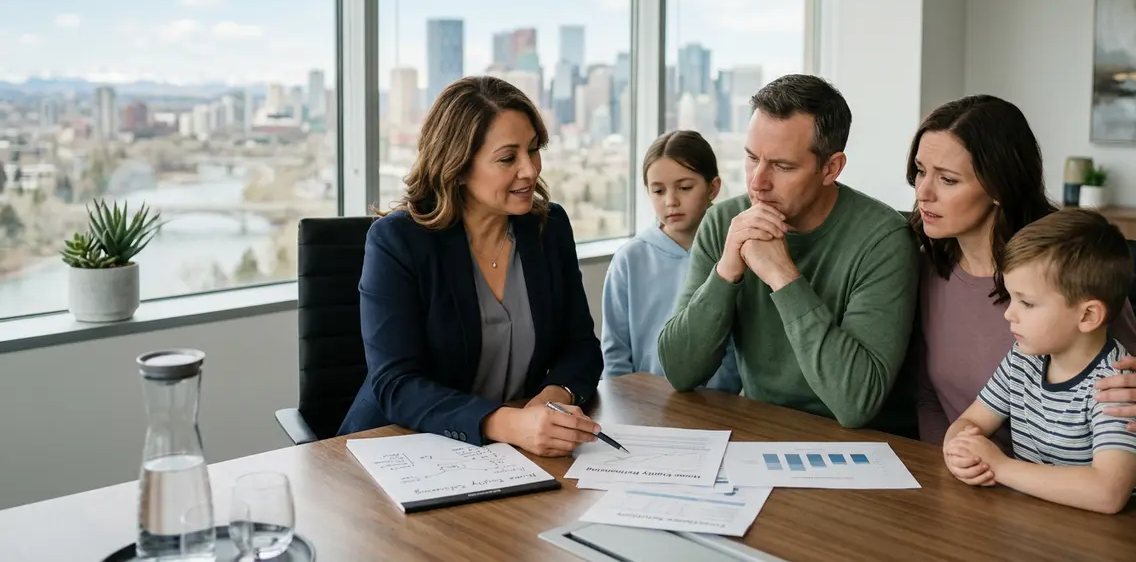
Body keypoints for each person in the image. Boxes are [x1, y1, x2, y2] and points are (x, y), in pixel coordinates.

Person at [909, 95, 1136, 480]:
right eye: (920, 171)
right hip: (976, 489)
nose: (923, 192)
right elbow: (929, 396)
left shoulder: (1067, 270)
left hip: (1077, 501)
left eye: (947, 179)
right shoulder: (926, 263)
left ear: (998, 187)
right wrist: (952, 471)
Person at [337, 76, 604, 457]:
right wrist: (505, 423)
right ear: (458, 165)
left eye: (534, 149)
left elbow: (580, 347)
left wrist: (551, 398)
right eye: (508, 158)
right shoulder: (397, 241)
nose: (530, 170)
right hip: (400, 447)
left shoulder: (548, 227)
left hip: (515, 454)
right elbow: (397, 384)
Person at [657, 74, 919, 428]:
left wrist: (783, 276)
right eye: (752, 158)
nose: (757, 182)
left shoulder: (883, 240)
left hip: (857, 449)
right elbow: (679, 371)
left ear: (831, 168)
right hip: (760, 431)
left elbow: (856, 402)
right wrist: (727, 271)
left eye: (782, 166)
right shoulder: (724, 223)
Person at [943, 209, 1136, 513]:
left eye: (1027, 302)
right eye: (1011, 298)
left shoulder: (1119, 387)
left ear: (1087, 316)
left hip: (1129, 541)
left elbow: (1108, 493)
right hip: (1047, 524)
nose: (1009, 314)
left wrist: (1001, 466)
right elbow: (970, 421)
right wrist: (958, 450)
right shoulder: (1023, 360)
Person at [601, 130, 741, 392]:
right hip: (644, 406)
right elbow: (615, 352)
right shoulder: (629, 260)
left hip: (720, 406)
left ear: (713, 188)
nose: (671, 201)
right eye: (658, 191)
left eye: (685, 187)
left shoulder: (734, 254)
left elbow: (739, 347)